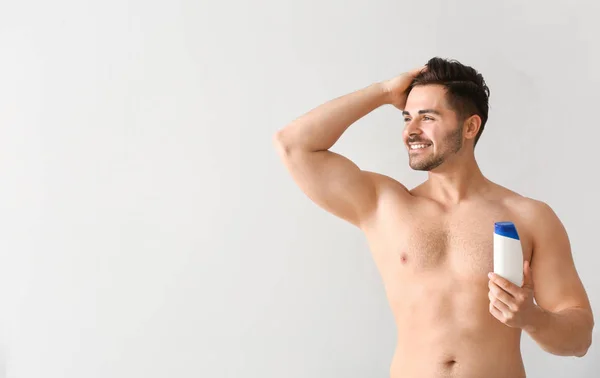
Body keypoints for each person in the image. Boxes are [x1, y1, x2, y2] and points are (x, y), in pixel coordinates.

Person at [272, 57, 594, 377]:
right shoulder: (384, 204)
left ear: (470, 126)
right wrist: (383, 92)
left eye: (427, 118)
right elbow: (293, 145)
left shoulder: (530, 217)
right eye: (406, 118)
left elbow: (580, 339)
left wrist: (532, 318)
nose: (411, 131)